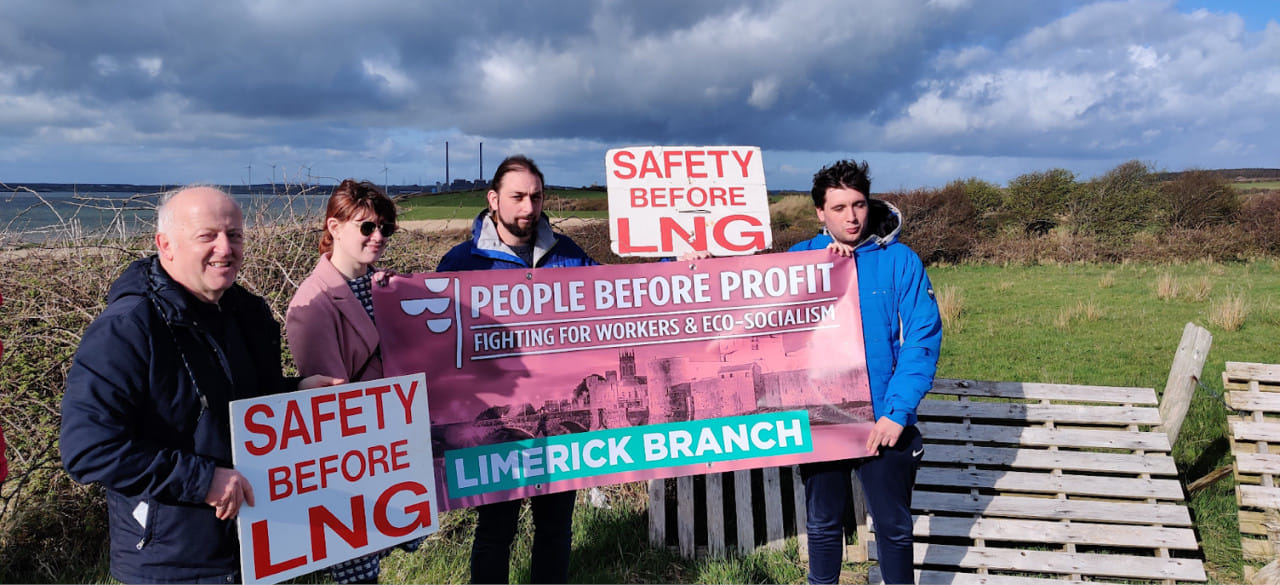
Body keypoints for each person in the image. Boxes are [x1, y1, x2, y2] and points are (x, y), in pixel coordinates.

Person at [60, 186, 339, 584]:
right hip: (173, 562)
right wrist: (202, 480)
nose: (225, 249)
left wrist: (295, 393)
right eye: (207, 236)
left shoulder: (250, 314)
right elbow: (88, 449)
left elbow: (242, 405)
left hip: (260, 543)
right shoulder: (127, 328)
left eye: (235, 235)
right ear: (166, 245)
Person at [436, 155, 598, 584]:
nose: (529, 207)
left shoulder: (568, 256)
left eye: (536, 196)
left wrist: (678, 266)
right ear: (493, 200)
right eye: (517, 197)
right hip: (497, 424)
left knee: (555, 527)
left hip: (556, 425)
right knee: (495, 530)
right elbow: (433, 340)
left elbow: (618, 294)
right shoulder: (460, 264)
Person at [788, 160, 942, 585]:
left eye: (858, 205)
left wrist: (897, 412)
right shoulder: (799, 259)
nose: (851, 217)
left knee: (893, 529)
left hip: (884, 420)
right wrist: (821, 269)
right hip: (824, 418)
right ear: (820, 213)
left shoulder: (900, 260)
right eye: (838, 208)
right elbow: (760, 317)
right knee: (822, 526)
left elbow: (922, 339)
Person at [286, 179, 416, 583]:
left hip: (390, 444)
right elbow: (331, 404)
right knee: (354, 573)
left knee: (374, 567)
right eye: (366, 227)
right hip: (354, 459)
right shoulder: (313, 303)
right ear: (334, 227)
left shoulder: (386, 288)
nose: (377, 236)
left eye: (385, 229)